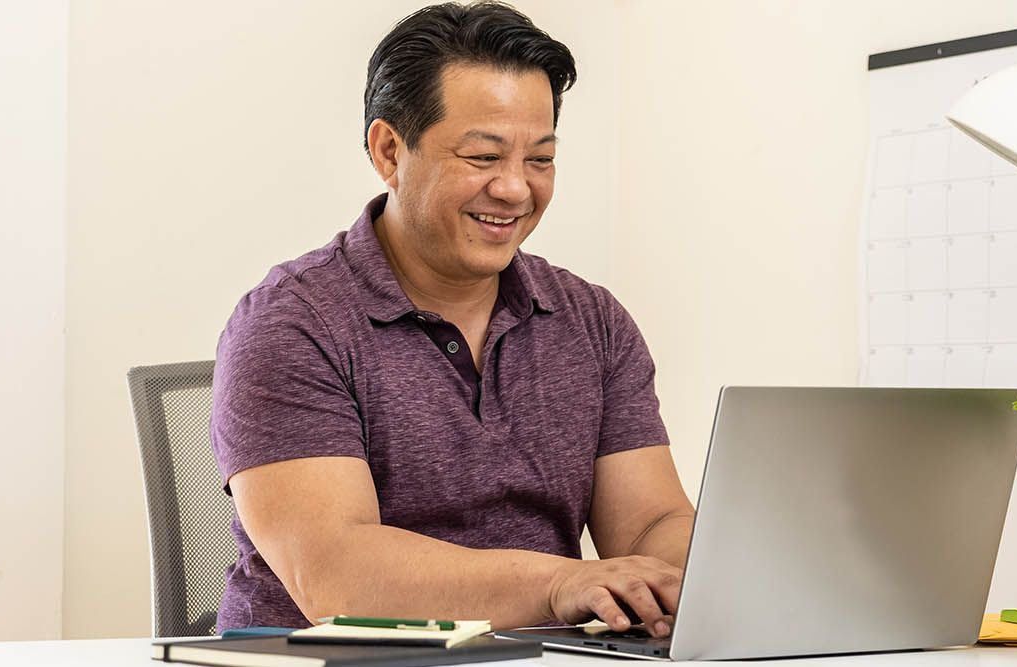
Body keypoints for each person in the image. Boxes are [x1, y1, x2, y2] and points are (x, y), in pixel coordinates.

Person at [210, 1, 697, 636]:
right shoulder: (292, 326)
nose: (516, 189)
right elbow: (338, 576)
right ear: (388, 149)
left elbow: (648, 526)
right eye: (482, 156)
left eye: (541, 160)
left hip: (539, 655)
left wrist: (718, 573)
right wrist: (562, 582)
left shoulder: (591, 320)